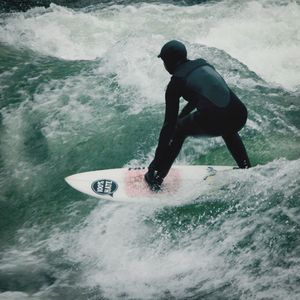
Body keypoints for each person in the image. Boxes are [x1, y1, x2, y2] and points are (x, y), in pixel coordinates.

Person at [144, 40, 251, 191]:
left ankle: (157, 177)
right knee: (227, 127)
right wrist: (183, 114)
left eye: (164, 61)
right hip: (239, 114)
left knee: (179, 130)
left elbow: (168, 126)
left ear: (169, 62)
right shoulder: (203, 64)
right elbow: (202, 95)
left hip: (221, 120)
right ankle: (247, 170)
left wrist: (156, 161)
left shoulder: (176, 83)